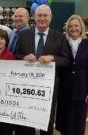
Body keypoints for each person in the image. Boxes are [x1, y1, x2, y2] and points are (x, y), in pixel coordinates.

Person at [15, 5, 69, 135]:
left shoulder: (59, 37)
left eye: (45, 15)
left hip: (48, 88)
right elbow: (16, 55)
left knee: (46, 122)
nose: (42, 18)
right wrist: (24, 57)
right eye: (39, 15)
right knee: (27, 121)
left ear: (50, 18)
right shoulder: (23, 35)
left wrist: (53, 57)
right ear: (34, 17)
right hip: (26, 87)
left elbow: (66, 60)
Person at [56, 15, 88, 135]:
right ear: (67, 28)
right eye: (70, 26)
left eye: (76, 26)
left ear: (81, 27)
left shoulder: (87, 44)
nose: (73, 28)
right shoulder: (62, 43)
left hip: (81, 91)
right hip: (64, 90)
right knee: (64, 124)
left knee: (78, 125)